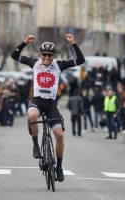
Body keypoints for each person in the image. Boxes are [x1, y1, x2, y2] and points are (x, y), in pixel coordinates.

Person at [11, 34, 85, 182]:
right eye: (44, 54)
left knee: (60, 135)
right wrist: (24, 42)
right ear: (40, 54)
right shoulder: (34, 63)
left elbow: (81, 60)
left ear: (53, 55)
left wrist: (73, 43)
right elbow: (14, 55)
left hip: (51, 104)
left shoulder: (59, 65)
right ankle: (36, 146)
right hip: (38, 102)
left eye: (49, 55)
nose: (46, 57)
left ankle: (59, 166)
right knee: (32, 115)